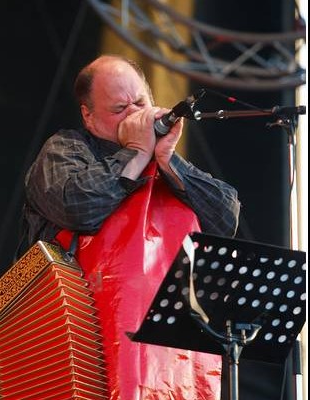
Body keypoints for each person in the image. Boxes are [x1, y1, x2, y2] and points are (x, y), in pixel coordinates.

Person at [23, 54, 241, 400]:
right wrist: (136, 152)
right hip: (82, 346)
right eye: (120, 108)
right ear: (88, 115)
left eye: (141, 102)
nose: (135, 114)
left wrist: (169, 162)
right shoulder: (66, 149)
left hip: (168, 354)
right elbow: (79, 208)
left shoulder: (164, 161)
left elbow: (226, 216)